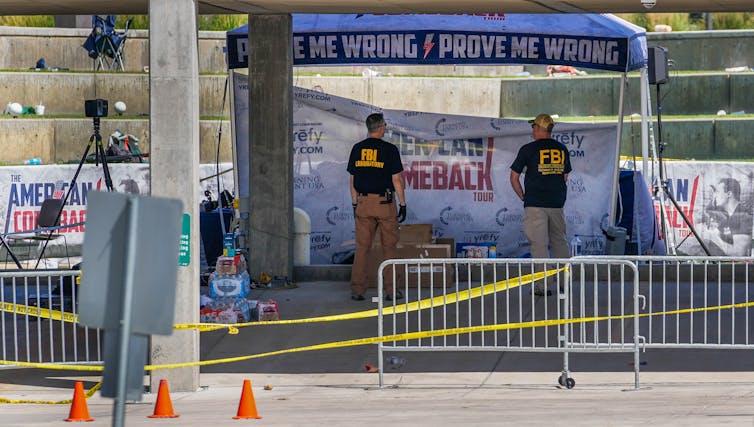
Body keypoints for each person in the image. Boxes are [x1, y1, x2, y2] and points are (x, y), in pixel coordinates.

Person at [347, 113, 407, 301]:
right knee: (389, 247)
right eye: (385, 125)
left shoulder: (357, 148)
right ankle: (392, 290)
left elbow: (352, 181)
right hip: (385, 204)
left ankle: (357, 291)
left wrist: (355, 203)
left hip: (363, 204)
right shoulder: (390, 150)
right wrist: (403, 204)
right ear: (381, 127)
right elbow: (396, 179)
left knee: (362, 248)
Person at [510, 114, 572, 296]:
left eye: (533, 127)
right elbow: (565, 176)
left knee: (539, 246)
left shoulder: (527, 149)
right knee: (560, 243)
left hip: (535, 203)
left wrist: (523, 196)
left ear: (538, 128)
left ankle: (542, 286)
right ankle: (564, 283)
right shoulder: (561, 149)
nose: (532, 130)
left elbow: (514, 177)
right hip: (557, 203)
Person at [698, 177, 752, 256]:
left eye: (718, 192)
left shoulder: (743, 216)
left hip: (736, 267)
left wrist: (713, 238)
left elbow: (739, 253)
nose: (715, 196)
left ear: (729, 194)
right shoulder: (727, 217)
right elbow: (716, 235)